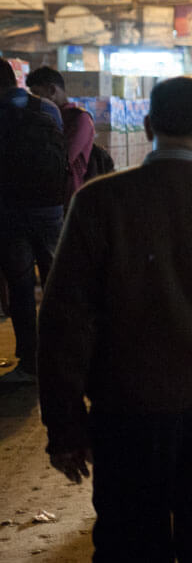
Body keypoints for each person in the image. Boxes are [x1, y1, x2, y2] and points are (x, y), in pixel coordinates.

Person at [38, 75, 192, 561]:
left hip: (125, 414)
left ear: (149, 125)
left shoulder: (98, 202)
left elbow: (63, 323)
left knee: (129, 544)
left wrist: (65, 426)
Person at [0, 59, 66, 387]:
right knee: (57, 281)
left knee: (23, 289)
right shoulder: (48, 110)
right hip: (50, 209)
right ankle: (67, 355)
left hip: (10, 213)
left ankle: (31, 363)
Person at [27, 66, 96, 202]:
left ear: (52, 90)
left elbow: (64, 158)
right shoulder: (43, 116)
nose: (35, 101)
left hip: (67, 196)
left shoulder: (79, 118)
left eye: (37, 94)